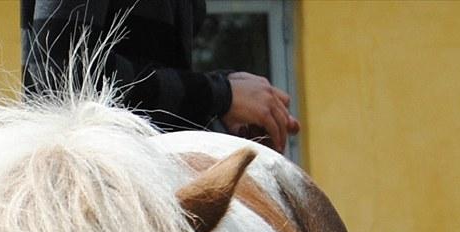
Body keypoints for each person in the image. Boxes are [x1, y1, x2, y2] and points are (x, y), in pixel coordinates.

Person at [22, 0, 299, 152]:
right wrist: (219, 95)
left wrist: (222, 111)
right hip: (85, 200)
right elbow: (58, 73)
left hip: (138, 188)